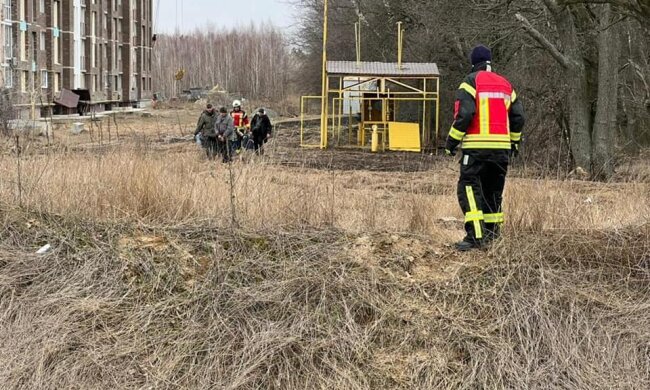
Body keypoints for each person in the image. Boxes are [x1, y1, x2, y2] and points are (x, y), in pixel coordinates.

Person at [444, 45, 525, 251]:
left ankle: (475, 237)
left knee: (469, 189)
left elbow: (464, 115)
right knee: (493, 193)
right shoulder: (506, 84)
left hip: (476, 149)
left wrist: (451, 143)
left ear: (473, 63)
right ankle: (492, 237)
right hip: (501, 152)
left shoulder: (471, 82)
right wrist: (514, 143)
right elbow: (518, 118)